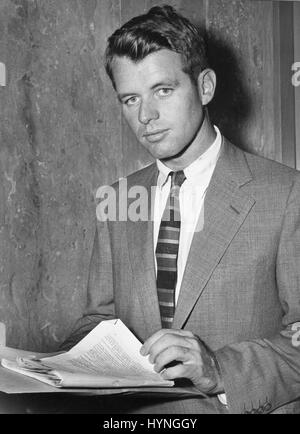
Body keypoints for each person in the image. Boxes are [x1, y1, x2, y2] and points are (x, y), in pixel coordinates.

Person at [61, 5, 300, 414]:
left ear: (204, 86)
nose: (146, 116)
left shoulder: (286, 194)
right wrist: (57, 365)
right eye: (130, 99)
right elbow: (98, 321)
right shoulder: (118, 198)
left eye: (163, 90)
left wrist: (220, 370)